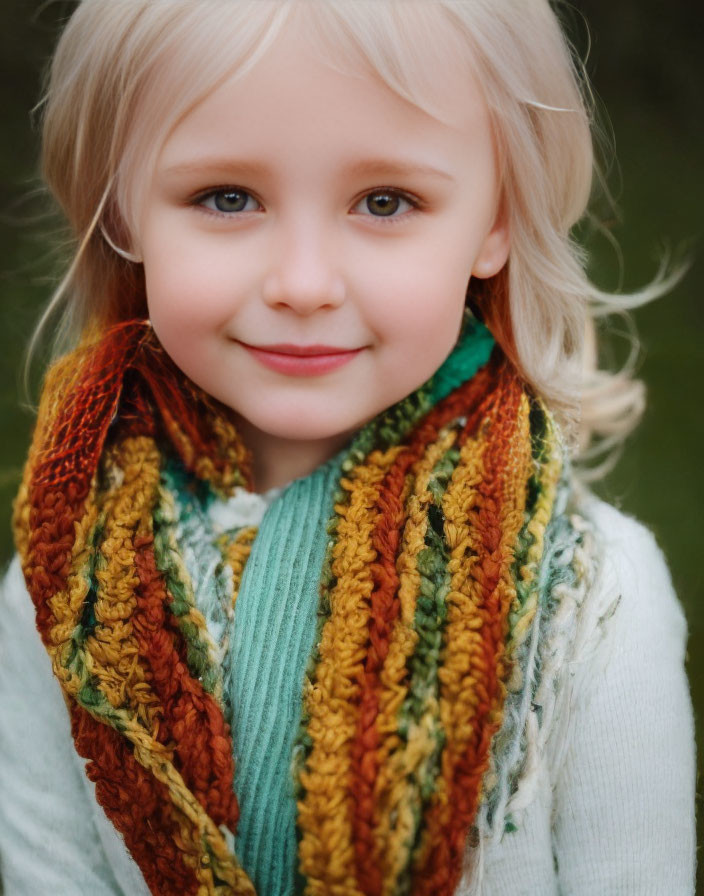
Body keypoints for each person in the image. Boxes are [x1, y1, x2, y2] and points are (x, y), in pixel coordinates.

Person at [0, 1, 696, 894]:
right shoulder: (64, 592)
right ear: (122, 212)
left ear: (497, 221)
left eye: (384, 201)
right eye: (227, 197)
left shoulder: (595, 597)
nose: (302, 283)